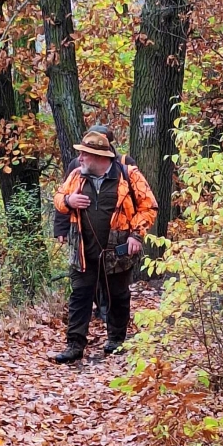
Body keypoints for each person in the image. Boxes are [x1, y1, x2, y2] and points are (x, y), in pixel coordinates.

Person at [53, 130, 158, 364]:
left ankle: (116, 340)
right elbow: (59, 198)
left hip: (117, 251)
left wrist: (136, 235)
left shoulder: (128, 175)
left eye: (85, 154)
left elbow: (149, 206)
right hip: (83, 250)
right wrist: (69, 201)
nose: (80, 158)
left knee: (117, 296)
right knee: (79, 296)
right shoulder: (76, 176)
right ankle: (74, 345)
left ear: (100, 157)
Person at [53, 125, 136, 321]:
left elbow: (137, 200)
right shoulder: (76, 166)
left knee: (115, 281)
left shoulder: (125, 165)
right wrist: (61, 227)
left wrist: (135, 233)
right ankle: (100, 308)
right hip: (84, 237)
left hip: (118, 239)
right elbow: (64, 196)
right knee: (87, 279)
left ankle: (113, 317)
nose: (82, 156)